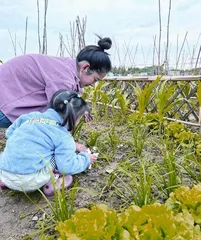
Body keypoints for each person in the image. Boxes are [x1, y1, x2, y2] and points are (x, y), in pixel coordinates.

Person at [0, 36, 112, 129]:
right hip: (5, 104)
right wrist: (69, 144)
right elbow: (57, 119)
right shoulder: (62, 78)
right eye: (95, 79)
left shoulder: (68, 67)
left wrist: (83, 111)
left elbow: (73, 95)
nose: (93, 85)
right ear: (85, 68)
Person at [0, 90, 98, 196]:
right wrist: (86, 158)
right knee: (58, 161)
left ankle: (6, 182)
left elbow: (9, 133)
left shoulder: (30, 117)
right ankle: (53, 183)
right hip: (29, 180)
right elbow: (67, 166)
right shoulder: (63, 136)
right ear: (74, 118)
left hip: (4, 171)